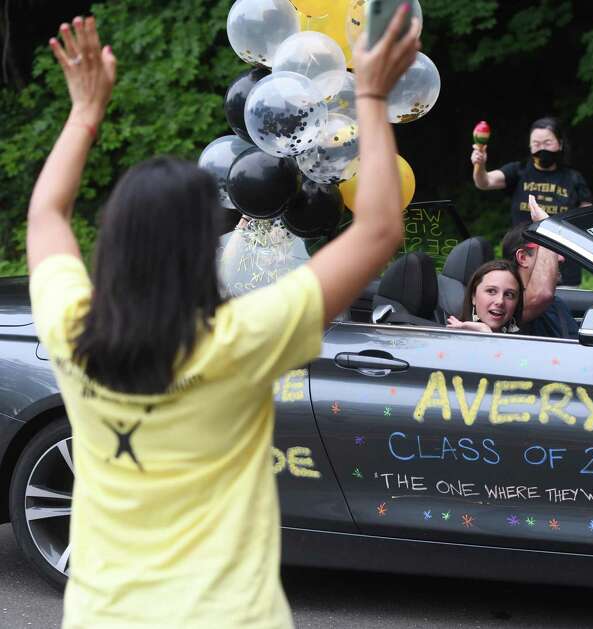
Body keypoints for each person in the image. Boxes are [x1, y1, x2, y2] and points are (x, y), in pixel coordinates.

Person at [27, 10, 419, 629]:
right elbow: (378, 229)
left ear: (114, 243)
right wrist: (368, 94)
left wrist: (84, 114)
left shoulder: (75, 335)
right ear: (198, 246)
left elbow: (47, 214)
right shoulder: (243, 340)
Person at [471, 116, 592, 286]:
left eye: (547, 143)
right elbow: (484, 182)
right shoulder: (518, 171)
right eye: (536, 144)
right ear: (529, 146)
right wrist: (480, 165)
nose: (541, 148)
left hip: (564, 264)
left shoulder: (573, 178)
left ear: (561, 144)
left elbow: (588, 219)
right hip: (522, 261)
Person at [501, 195, 580, 339]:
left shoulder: (557, 305)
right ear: (523, 258)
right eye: (549, 250)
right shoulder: (504, 304)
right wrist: (545, 226)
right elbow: (540, 295)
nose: (561, 258)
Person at [446, 259, 523, 333]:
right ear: (473, 296)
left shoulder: (524, 344)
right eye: (491, 291)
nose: (500, 301)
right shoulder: (451, 340)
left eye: (509, 295)